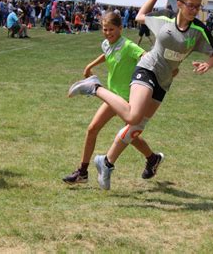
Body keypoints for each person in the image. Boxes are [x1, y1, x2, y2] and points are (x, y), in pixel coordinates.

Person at [69, 0, 213, 190]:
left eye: (198, 7)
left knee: (136, 128)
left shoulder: (199, 30)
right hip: (147, 69)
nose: (195, 10)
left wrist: (207, 64)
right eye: (191, 6)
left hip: (164, 81)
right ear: (179, 5)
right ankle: (95, 87)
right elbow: (140, 15)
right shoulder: (165, 18)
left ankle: (106, 163)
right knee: (132, 117)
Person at [63, 12, 160, 184]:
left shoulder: (129, 46)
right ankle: (82, 172)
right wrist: (90, 65)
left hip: (129, 99)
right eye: (105, 29)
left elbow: (145, 57)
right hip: (113, 95)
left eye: (112, 29)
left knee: (128, 135)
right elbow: (107, 54)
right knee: (94, 129)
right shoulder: (106, 44)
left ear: (121, 28)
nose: (108, 33)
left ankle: (152, 159)